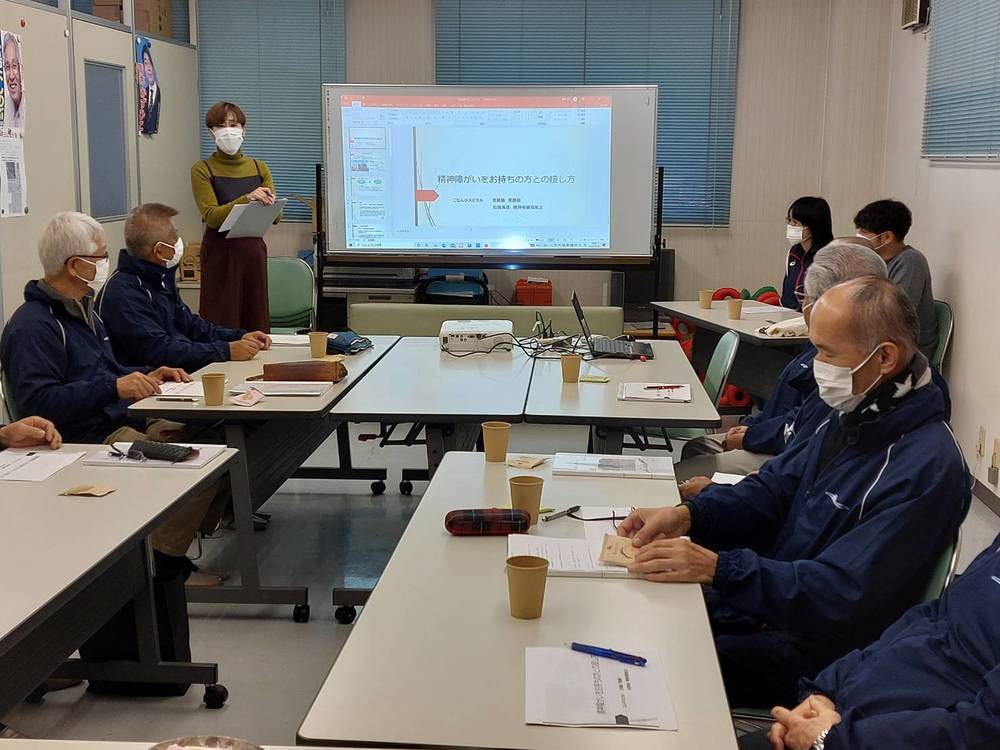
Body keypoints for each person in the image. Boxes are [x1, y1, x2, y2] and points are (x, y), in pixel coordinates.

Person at [617, 276, 970, 709]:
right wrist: (690, 515)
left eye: (825, 352)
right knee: (633, 608)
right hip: (771, 608)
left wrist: (721, 568)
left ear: (884, 358)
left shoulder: (927, 466)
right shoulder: (851, 414)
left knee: (644, 660)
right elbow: (772, 489)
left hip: (821, 654)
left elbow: (843, 595)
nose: (815, 365)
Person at [0, 211, 227, 584]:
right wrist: (114, 387)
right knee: (195, 464)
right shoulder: (34, 327)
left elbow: (106, 369)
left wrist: (141, 375)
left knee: (214, 440)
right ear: (75, 265)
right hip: (87, 438)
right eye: (100, 256)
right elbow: (38, 405)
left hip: (118, 419)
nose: (107, 262)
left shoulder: (84, 310)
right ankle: (164, 570)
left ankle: (169, 547)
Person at [738, 533, 1000, 750]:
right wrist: (823, 695)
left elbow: (984, 728)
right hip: (853, 715)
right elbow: (927, 618)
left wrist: (831, 739)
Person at [676, 242, 888, 490]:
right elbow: (796, 419)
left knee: (678, 478)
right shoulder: (831, 348)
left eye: (806, 297)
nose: (803, 306)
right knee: (695, 454)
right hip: (780, 447)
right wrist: (753, 430)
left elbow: (800, 454)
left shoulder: (852, 368)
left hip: (782, 456)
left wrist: (749, 443)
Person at [97, 202, 271, 372]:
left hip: (176, 376)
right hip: (149, 386)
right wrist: (226, 350)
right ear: (159, 251)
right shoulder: (124, 294)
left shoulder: (159, 277)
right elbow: (159, 352)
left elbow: (191, 325)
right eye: (175, 238)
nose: (179, 243)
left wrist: (238, 336)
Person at [191, 100, 279, 332]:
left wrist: (271, 204)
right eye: (221, 125)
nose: (228, 130)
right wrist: (247, 198)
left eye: (234, 124)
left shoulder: (260, 168)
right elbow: (211, 216)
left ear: (244, 130)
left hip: (253, 253)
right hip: (220, 255)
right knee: (221, 319)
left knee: (256, 320)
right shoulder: (202, 169)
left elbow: (275, 215)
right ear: (211, 133)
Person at [854, 199, 938, 359]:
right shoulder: (873, 260)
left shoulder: (911, 262)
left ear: (886, 237)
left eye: (864, 231)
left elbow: (893, 316)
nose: (858, 236)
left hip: (905, 348)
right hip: (875, 340)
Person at [781, 197, 833, 310]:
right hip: (788, 316)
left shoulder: (830, 256)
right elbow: (787, 292)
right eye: (789, 220)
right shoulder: (793, 252)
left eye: (795, 222)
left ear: (813, 225)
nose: (790, 226)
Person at [2, 32, 24, 129]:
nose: (11, 76)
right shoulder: (5, 106)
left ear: (21, 69)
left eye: (14, 66)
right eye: (7, 67)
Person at [141, 47, 160, 135]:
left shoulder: (158, 92)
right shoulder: (143, 92)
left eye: (150, 63)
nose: (149, 68)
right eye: (145, 63)